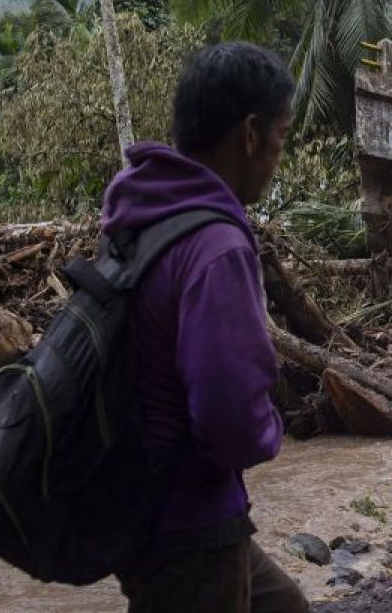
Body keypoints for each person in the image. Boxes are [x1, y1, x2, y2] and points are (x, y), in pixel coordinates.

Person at [102, 42, 309, 613]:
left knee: (282, 605)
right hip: (190, 519)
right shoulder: (216, 246)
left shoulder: (140, 218)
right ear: (249, 134)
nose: (278, 154)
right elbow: (228, 418)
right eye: (282, 136)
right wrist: (271, 428)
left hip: (136, 504)